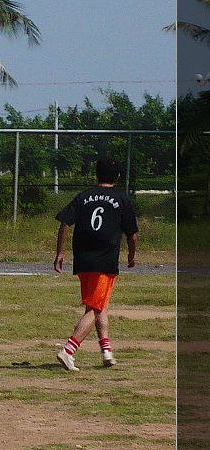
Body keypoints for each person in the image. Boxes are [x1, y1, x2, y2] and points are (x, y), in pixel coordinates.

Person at [53, 157, 138, 371]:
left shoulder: (84, 196)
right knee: (95, 307)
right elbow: (132, 234)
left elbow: (64, 222)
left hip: (83, 260)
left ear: (96, 174)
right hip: (105, 260)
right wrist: (131, 255)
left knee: (98, 305)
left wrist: (60, 252)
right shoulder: (121, 198)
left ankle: (106, 351)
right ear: (118, 176)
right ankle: (68, 350)